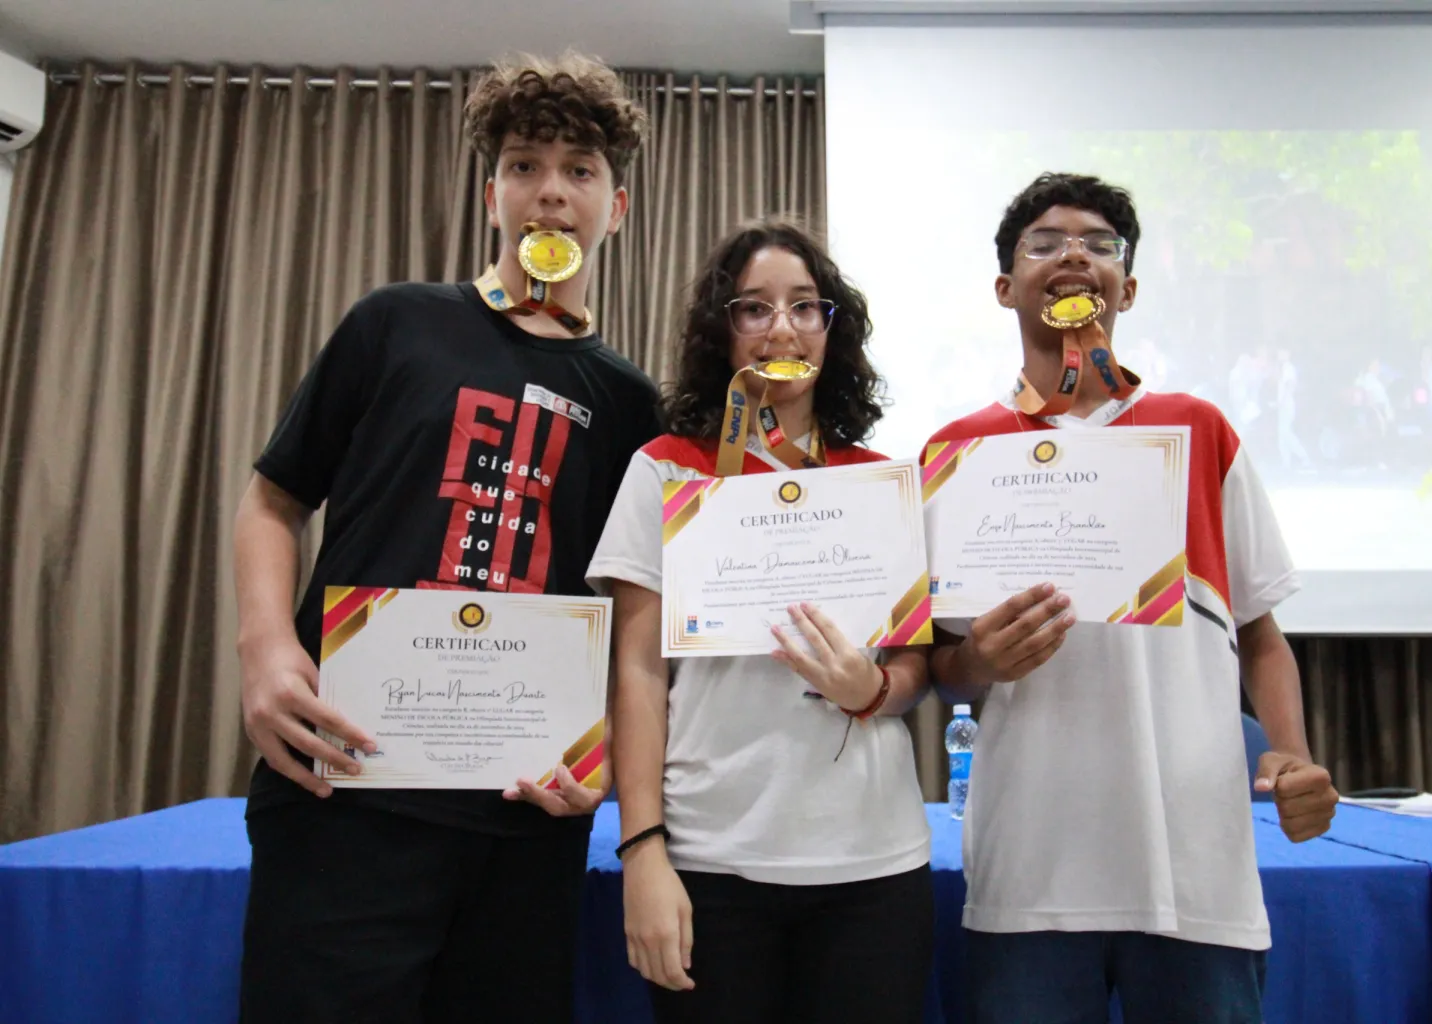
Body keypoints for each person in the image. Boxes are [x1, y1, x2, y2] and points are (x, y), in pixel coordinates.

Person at [232, 52, 657, 1023]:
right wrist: (265, 651)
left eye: (580, 170)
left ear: (616, 208)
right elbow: (272, 501)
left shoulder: (630, 402)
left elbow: (630, 618)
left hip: (521, 820)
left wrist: (598, 760)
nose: (551, 192)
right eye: (524, 165)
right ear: (491, 195)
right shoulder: (397, 323)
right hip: (345, 792)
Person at [924, 173, 1339, 1024]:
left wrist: (1291, 752)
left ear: (1129, 287)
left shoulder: (1199, 429)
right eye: (1044, 242)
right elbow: (943, 675)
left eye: (1100, 243)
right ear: (1006, 287)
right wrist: (977, 660)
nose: (1074, 253)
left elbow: (1259, 631)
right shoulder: (955, 452)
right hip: (1030, 876)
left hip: (1194, 870)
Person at [589, 219, 934, 1024]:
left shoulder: (882, 482)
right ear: (724, 330)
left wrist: (874, 687)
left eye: (805, 307)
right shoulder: (666, 467)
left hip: (872, 867)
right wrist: (643, 852)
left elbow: (919, 668)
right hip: (712, 863)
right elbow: (636, 669)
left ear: (829, 329)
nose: (782, 326)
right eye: (755, 308)